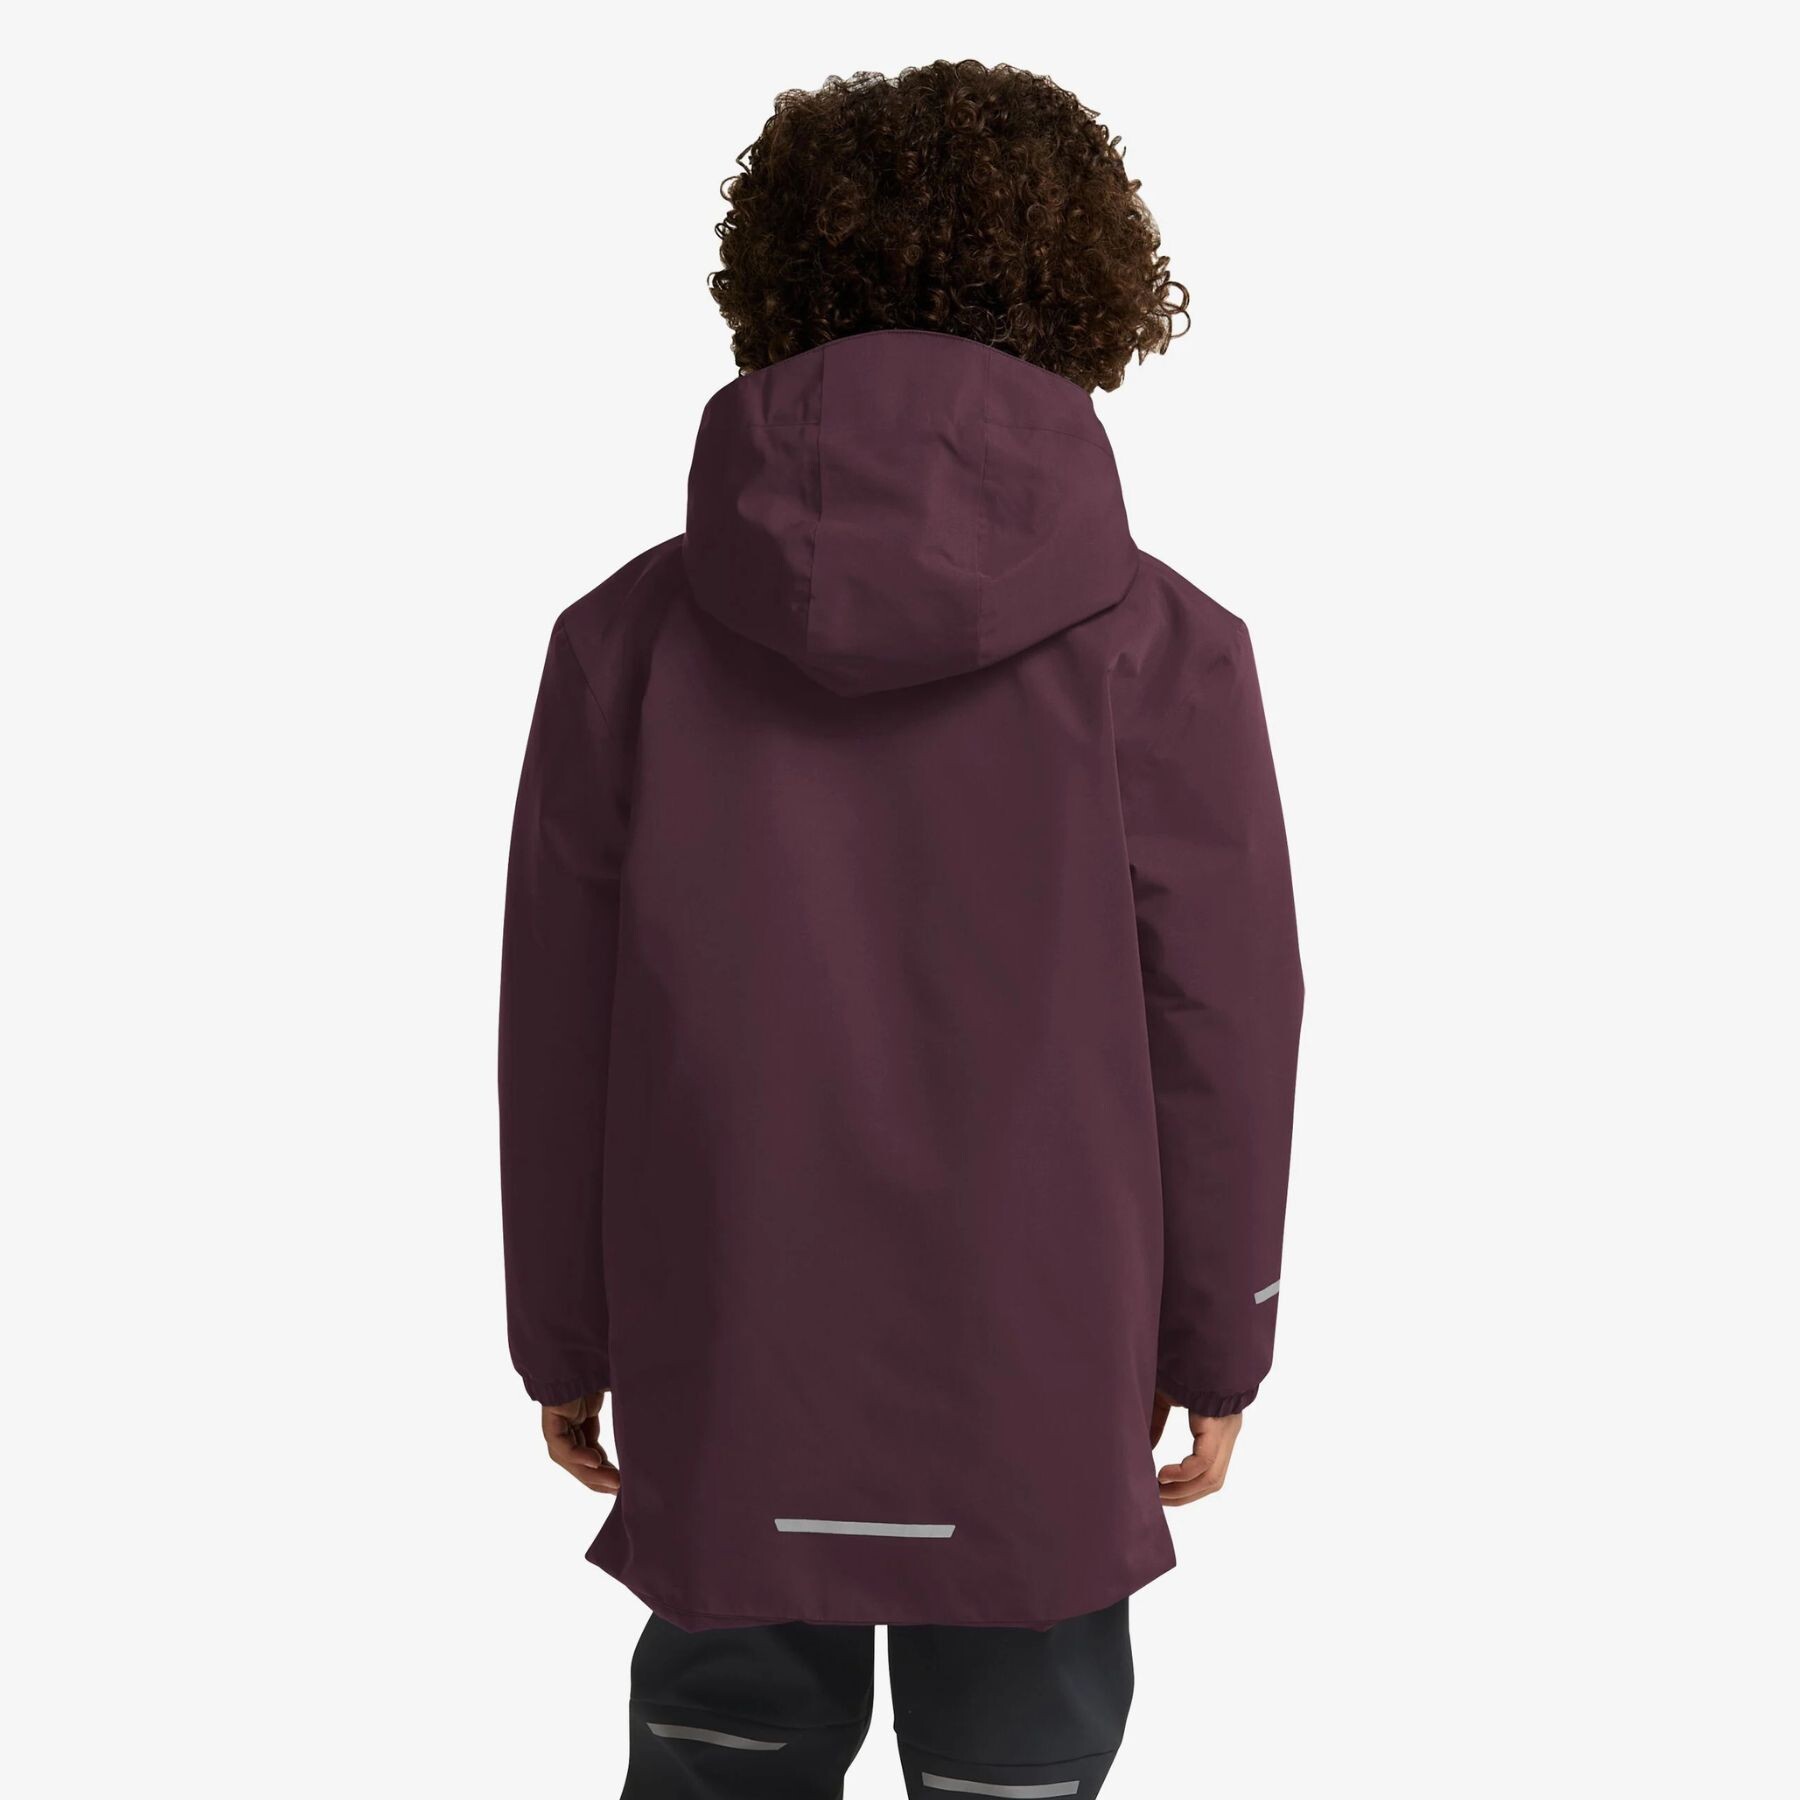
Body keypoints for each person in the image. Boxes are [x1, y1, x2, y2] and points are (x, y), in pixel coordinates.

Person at [499, 60, 1303, 1798]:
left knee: (721, 1754)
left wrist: (561, 1333)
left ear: (780, 277)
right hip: (1043, 1361)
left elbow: (556, 1031)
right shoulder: (1168, 652)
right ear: (1083, 286)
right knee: (1019, 1763)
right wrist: (1220, 1339)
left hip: (726, 1339)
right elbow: (1228, 1026)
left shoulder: (621, 645)